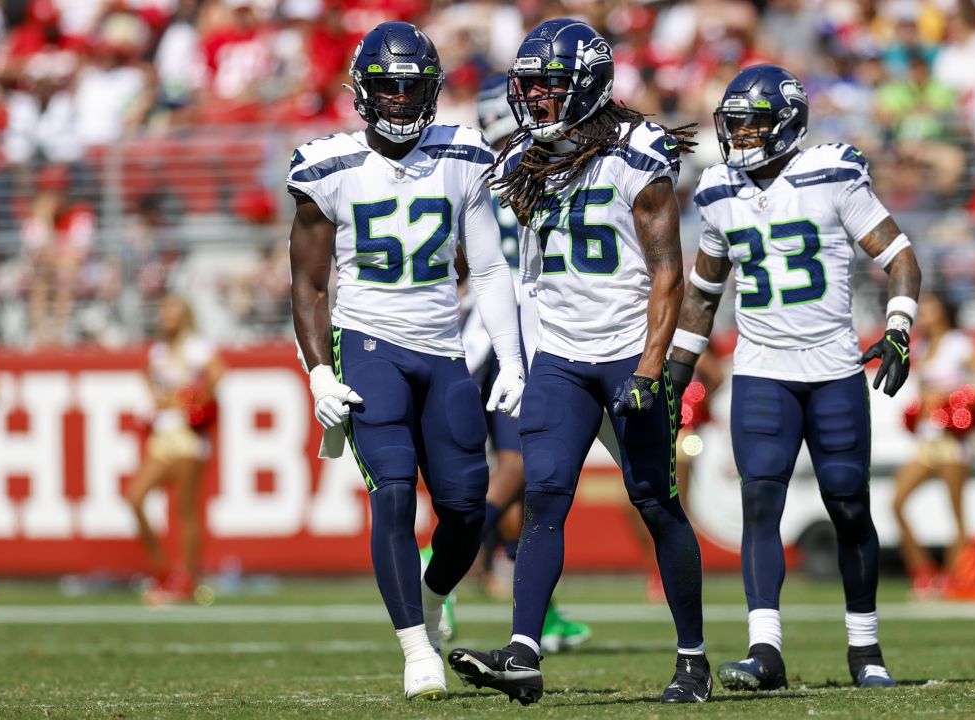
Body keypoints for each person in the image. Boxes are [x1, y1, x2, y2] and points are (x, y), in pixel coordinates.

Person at [449, 19, 710, 705]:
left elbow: (667, 275)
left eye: (549, 85)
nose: (534, 98)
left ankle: (693, 659)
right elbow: (488, 263)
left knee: (656, 503)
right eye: (527, 84)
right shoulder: (520, 162)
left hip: (629, 350)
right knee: (543, 499)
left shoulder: (638, 152)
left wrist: (653, 370)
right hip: (559, 356)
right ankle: (525, 654)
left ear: (589, 85)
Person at [288, 22, 523, 702]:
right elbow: (308, 284)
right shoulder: (327, 165)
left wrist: (510, 360)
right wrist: (318, 371)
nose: (398, 100)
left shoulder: (464, 154)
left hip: (443, 348)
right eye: (387, 86)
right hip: (367, 343)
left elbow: (487, 266)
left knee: (465, 511)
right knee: (392, 489)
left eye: (411, 87)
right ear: (363, 90)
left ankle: (428, 597)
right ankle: (416, 648)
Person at [669, 65, 922, 692]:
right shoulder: (718, 189)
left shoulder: (833, 173)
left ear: (787, 120)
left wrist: (898, 328)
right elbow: (703, 295)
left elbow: (901, 258)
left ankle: (865, 648)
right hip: (761, 371)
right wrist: (676, 372)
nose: (742, 134)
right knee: (761, 501)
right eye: (735, 123)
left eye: (753, 121)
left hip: (834, 367)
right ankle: (765, 650)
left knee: (847, 503)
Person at [460, 75, 592, 651]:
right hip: (511, 333)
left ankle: (543, 607)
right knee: (520, 467)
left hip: (508, 329)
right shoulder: (505, 169)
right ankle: (445, 550)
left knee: (533, 479)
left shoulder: (518, 164)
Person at [891, 292, 975, 597]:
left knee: (956, 513)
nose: (922, 313)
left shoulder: (957, 344)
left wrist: (958, 402)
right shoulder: (921, 346)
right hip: (928, 440)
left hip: (953, 441)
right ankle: (923, 571)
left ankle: (953, 579)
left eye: (928, 308)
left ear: (942, 312)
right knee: (897, 502)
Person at [128, 295, 224, 606]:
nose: (166, 315)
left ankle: (187, 579)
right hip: (163, 433)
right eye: (164, 310)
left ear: (185, 314)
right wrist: (160, 399)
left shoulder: (196, 346)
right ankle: (163, 571)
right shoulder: (158, 351)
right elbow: (150, 382)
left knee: (185, 509)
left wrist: (190, 398)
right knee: (135, 497)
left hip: (187, 435)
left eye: (172, 310)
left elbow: (219, 373)